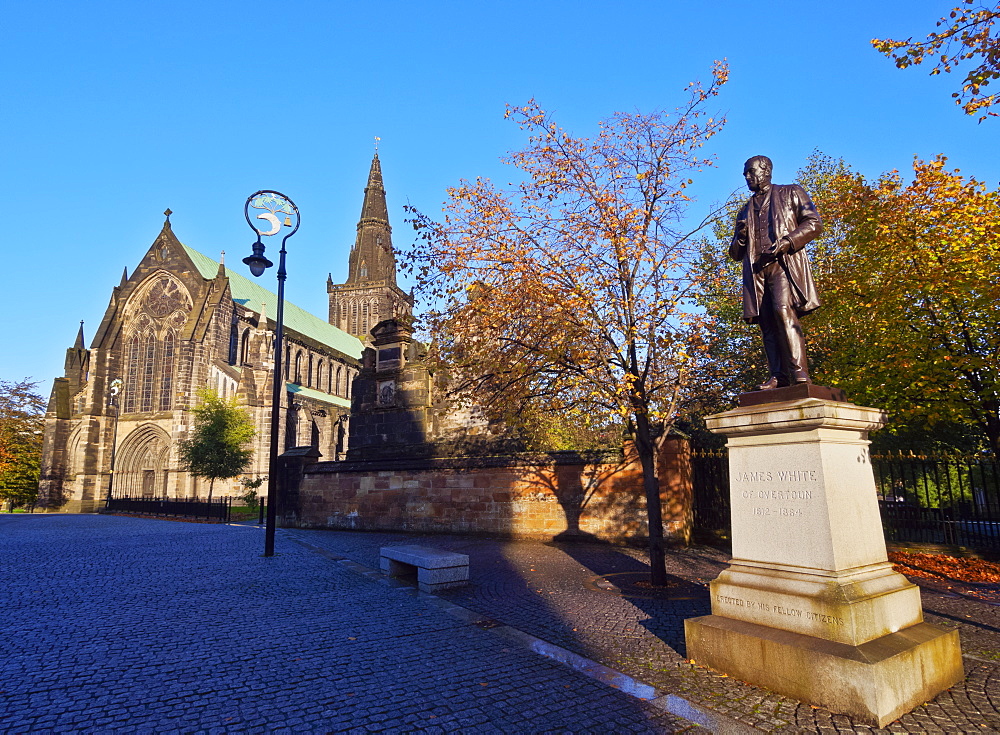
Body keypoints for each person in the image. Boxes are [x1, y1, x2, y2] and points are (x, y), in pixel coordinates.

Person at [729, 156, 823, 390]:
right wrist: (741, 237)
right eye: (745, 174)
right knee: (767, 322)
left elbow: (813, 223)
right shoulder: (744, 210)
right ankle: (778, 375)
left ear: (766, 171)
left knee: (783, 311)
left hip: (784, 264)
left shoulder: (791, 192)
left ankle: (799, 372)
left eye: (751, 172)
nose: (747, 177)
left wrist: (789, 241)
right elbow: (735, 253)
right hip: (756, 272)